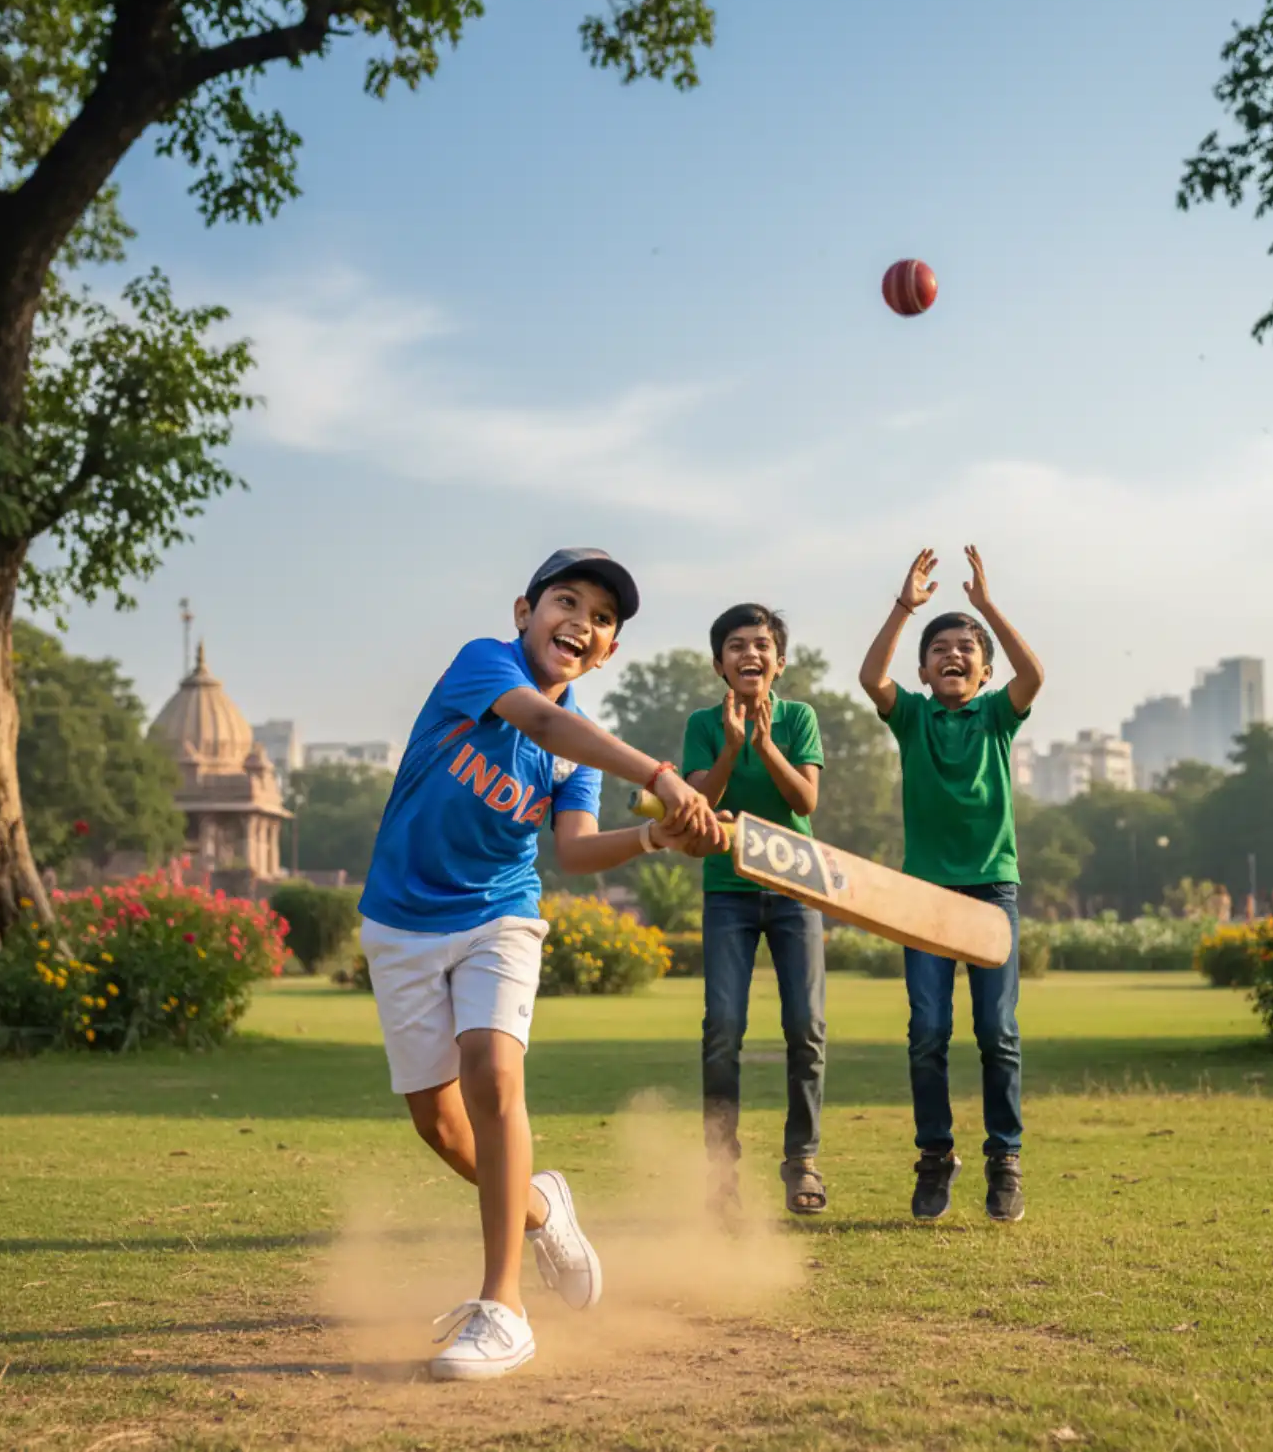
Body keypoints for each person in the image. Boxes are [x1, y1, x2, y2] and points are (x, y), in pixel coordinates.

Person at [357, 548, 724, 1381]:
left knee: (492, 1075)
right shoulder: (483, 664)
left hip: (501, 915)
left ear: (607, 652)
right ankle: (540, 1206)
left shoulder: (577, 753)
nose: (581, 622)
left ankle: (503, 1309)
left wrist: (652, 836)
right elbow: (549, 724)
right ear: (525, 609)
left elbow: (573, 851)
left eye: (601, 618)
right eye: (568, 601)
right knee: (442, 1127)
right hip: (401, 921)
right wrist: (665, 778)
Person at [858, 546, 1045, 1223]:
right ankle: (936, 1155)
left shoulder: (998, 715)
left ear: (984, 669)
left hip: (993, 888)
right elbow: (869, 675)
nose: (953, 656)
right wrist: (906, 606)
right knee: (928, 1031)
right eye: (940, 649)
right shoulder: (912, 718)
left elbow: (1035, 673)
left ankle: (1006, 1158)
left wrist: (988, 604)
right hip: (925, 896)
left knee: (997, 1030)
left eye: (967, 648)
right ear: (924, 668)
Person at [681, 605, 827, 1218]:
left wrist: (764, 746)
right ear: (719, 663)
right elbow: (697, 803)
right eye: (736, 645)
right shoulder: (702, 724)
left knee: (806, 1029)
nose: (750, 654)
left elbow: (805, 798)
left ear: (780, 661)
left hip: (796, 889)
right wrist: (732, 747)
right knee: (723, 1029)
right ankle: (721, 1172)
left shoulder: (799, 718)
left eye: (762, 645)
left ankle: (803, 1162)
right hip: (729, 889)